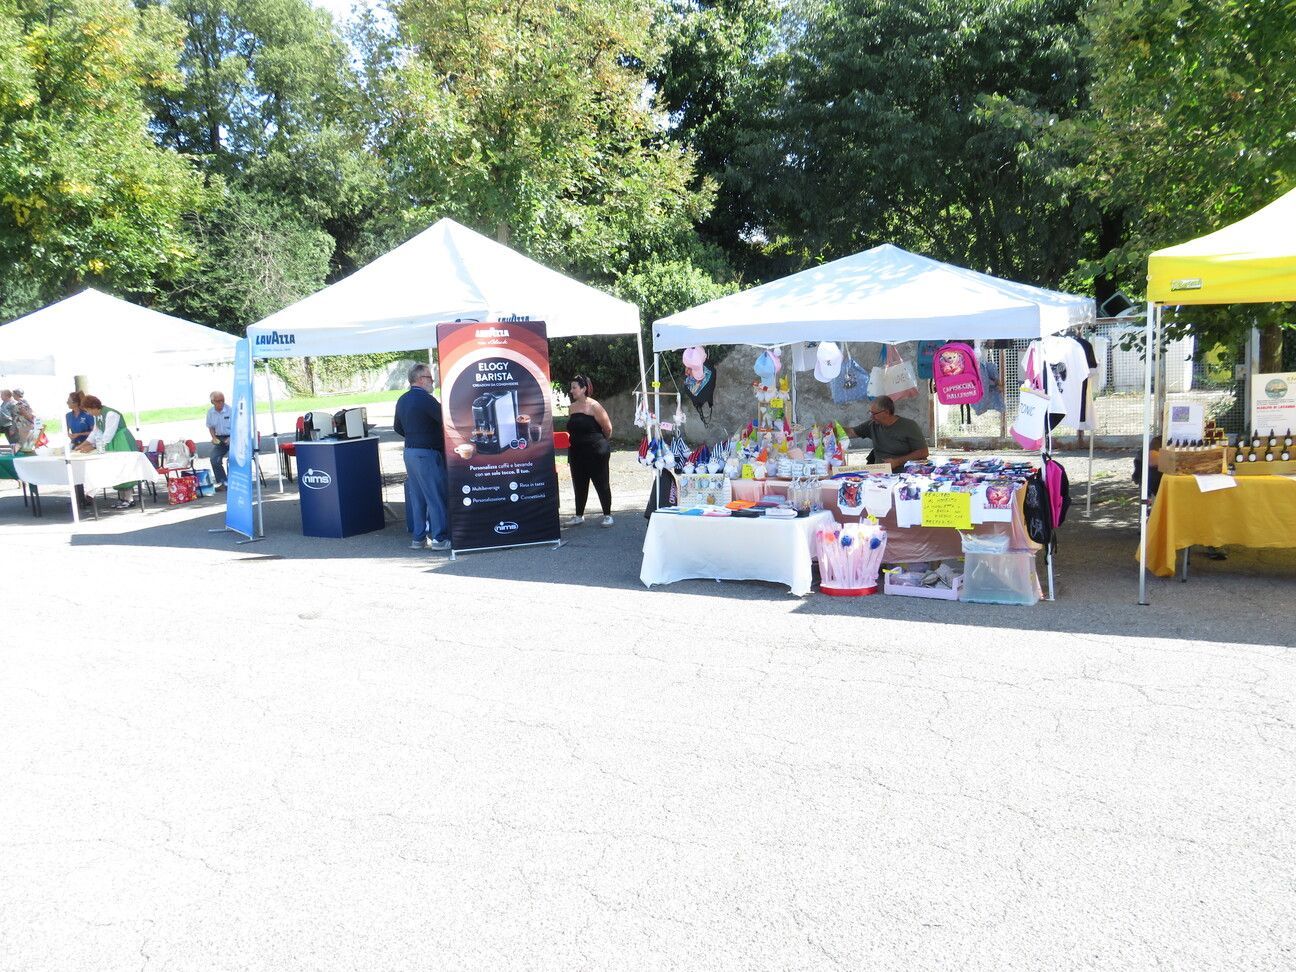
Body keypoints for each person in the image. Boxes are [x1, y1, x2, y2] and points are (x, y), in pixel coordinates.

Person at [394, 363, 450, 550]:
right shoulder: (426, 399)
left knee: (418, 497)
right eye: (430, 378)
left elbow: (397, 427)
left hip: (409, 452)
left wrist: (414, 435)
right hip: (427, 454)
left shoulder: (402, 400)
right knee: (435, 497)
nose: (432, 382)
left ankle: (418, 538)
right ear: (420, 379)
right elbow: (446, 420)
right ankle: (439, 539)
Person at [566, 374, 614, 527]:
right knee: (579, 483)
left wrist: (601, 443)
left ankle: (607, 515)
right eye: (571, 387)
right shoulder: (572, 408)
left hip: (596, 451)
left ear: (584, 389)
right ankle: (579, 515)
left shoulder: (594, 406)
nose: (571, 390)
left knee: (601, 483)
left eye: (574, 387)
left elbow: (608, 428)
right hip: (576, 452)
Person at [78, 395, 142, 509]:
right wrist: (82, 445)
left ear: (93, 407)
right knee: (116, 469)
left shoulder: (111, 414)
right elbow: (95, 433)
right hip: (111, 443)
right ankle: (123, 498)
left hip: (121, 441)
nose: (88, 413)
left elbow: (108, 435)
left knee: (123, 467)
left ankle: (129, 499)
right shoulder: (97, 416)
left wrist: (92, 447)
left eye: (87, 410)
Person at [849, 395, 929, 470]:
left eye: (874, 414)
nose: (871, 416)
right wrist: (836, 429)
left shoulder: (909, 426)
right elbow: (851, 432)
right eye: (870, 413)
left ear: (886, 412)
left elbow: (923, 452)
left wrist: (897, 462)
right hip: (879, 472)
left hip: (904, 472)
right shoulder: (872, 425)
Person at [65, 392, 94, 508]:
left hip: (86, 444)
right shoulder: (68, 416)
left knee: (86, 470)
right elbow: (66, 430)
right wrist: (70, 435)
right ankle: (78, 497)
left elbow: (93, 431)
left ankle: (90, 496)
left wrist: (80, 434)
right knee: (74, 469)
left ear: (76, 403)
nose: (67, 403)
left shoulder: (87, 415)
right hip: (75, 444)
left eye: (69, 401)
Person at [206, 390, 232, 491]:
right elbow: (211, 427)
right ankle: (223, 482)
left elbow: (237, 427)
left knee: (233, 459)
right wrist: (213, 437)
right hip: (220, 438)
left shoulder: (230, 410)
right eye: (218, 401)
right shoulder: (210, 412)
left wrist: (231, 438)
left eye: (222, 400)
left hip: (232, 437)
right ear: (212, 402)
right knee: (214, 459)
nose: (221, 403)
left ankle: (235, 481)